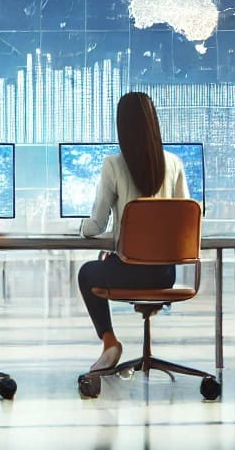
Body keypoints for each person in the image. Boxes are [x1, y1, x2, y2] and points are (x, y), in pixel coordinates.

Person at [77, 92, 191, 372]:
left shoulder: (113, 165)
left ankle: (110, 342)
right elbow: (185, 219)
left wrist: (80, 227)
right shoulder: (174, 163)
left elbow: (97, 224)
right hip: (165, 274)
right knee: (108, 263)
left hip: (129, 270)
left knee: (87, 272)